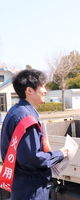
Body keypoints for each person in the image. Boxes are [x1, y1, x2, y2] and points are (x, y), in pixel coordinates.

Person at [0, 69, 69, 200]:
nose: (45, 91)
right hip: (32, 187)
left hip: (21, 182)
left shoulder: (15, 111)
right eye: (42, 86)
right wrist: (60, 154)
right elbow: (33, 158)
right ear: (29, 90)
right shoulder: (26, 117)